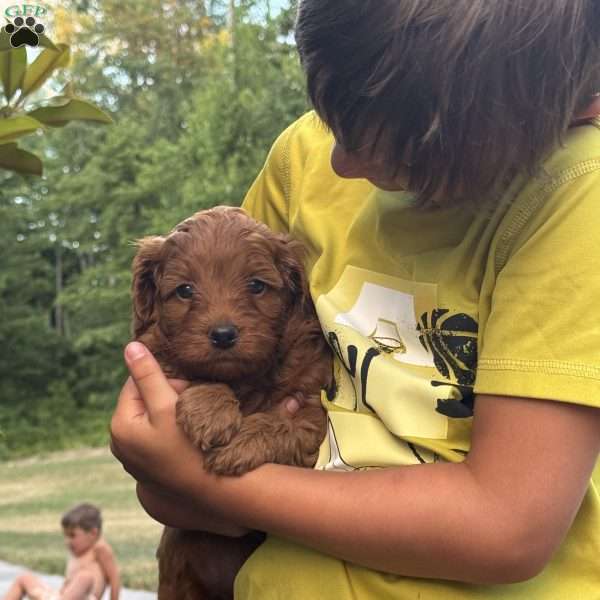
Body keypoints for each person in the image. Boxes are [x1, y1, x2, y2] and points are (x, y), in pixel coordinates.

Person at [110, 0, 600, 598]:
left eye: (381, 138)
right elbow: (174, 403)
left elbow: (506, 527)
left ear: (513, 121)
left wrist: (210, 486)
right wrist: (171, 468)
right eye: (331, 117)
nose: (340, 161)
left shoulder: (576, 197)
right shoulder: (303, 158)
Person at [3, 503, 121, 600]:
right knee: (24, 578)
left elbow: (115, 579)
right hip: (63, 596)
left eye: (72, 535)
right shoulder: (76, 553)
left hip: (87, 597)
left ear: (93, 533)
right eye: (66, 536)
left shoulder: (99, 548)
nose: (67, 541)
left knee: (85, 577)